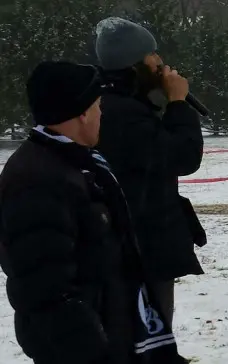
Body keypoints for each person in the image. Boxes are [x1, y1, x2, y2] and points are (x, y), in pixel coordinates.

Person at [0, 61, 188, 364]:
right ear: (83, 112)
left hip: (117, 333)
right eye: (98, 105)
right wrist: (95, 352)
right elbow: (48, 294)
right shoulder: (37, 181)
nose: (102, 113)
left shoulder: (80, 162)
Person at [93, 17, 207, 328]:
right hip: (138, 250)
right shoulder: (123, 115)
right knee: (146, 337)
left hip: (134, 247)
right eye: (153, 55)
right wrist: (178, 103)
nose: (161, 62)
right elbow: (182, 157)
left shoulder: (119, 104)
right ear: (136, 64)